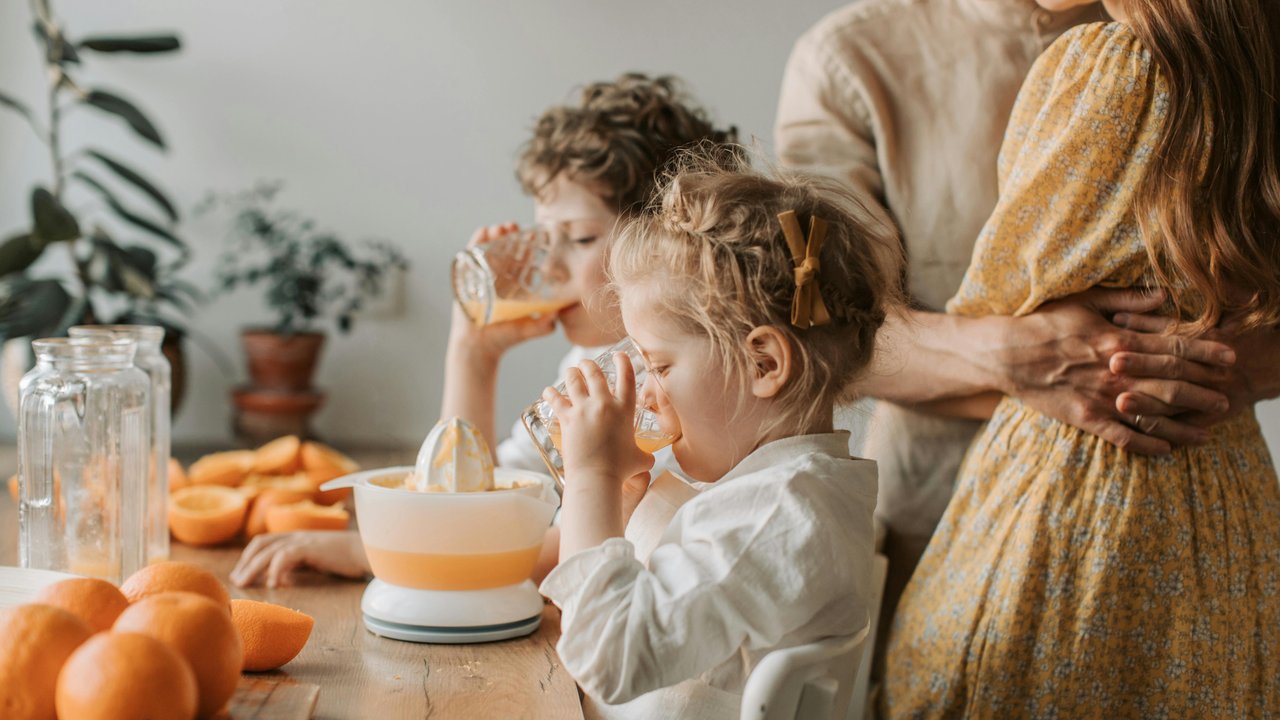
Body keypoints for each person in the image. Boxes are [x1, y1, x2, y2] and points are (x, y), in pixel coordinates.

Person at [773, 0, 1275, 656]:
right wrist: (1008, 354)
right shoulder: (847, 62)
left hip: (1180, 554)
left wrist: (1236, 362)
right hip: (933, 525)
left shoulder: (1210, 30)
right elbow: (805, 329)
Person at [231, 73, 738, 588]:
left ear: (665, 246)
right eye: (544, 239)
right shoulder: (587, 370)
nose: (548, 268)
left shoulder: (681, 383)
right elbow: (475, 505)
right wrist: (473, 353)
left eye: (580, 238)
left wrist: (376, 554)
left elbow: (562, 547)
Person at [540, 157, 901, 719]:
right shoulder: (789, 493)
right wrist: (620, 499)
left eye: (658, 367)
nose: (647, 393)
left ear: (762, 363)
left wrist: (591, 477)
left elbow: (607, 660)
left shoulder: (773, 515)